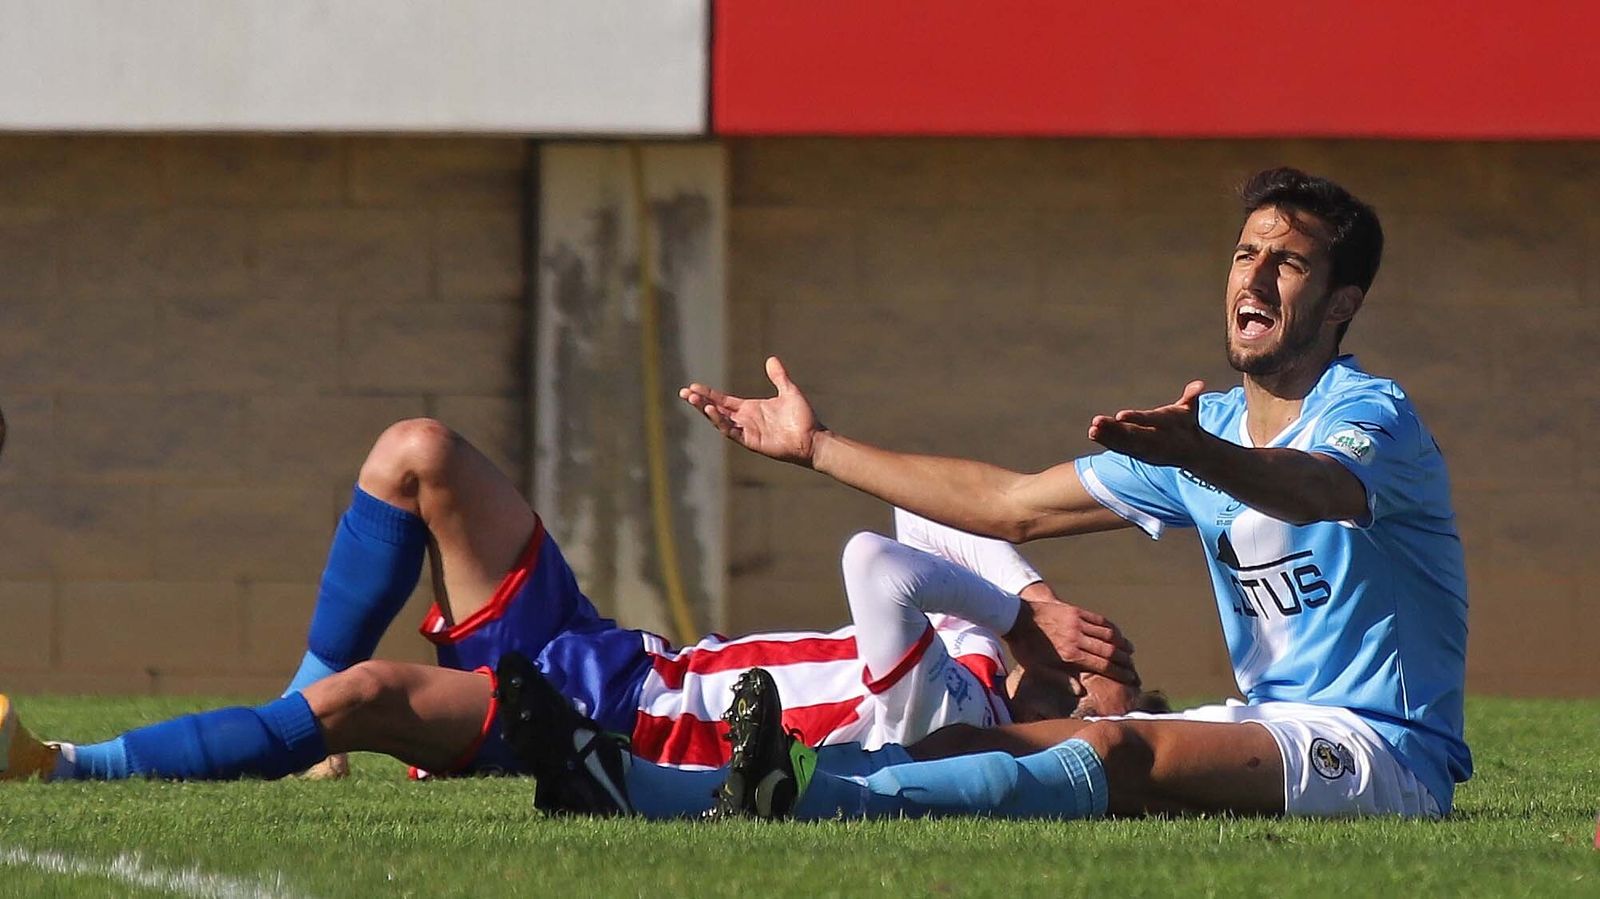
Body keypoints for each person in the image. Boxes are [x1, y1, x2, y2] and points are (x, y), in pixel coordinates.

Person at [674, 167, 1470, 820]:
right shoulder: (1212, 428)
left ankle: (823, 805)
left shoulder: (1371, 415)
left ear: (1342, 304)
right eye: (1243, 253)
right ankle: (676, 791)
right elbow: (1010, 503)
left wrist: (1201, 455)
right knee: (984, 743)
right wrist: (817, 447)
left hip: (1384, 747)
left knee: (1116, 749)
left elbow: (1315, 491)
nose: (1253, 275)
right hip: (1268, 724)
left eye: (1286, 262)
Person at [0, 419, 1138, 786]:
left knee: (367, 693)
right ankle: (303, 716)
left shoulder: (942, 723)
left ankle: (61, 764)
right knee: (417, 452)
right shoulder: (976, 640)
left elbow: (874, 562)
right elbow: (929, 520)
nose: (1097, 646)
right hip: (619, 652)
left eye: (1105, 672)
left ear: (1073, 717)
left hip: (609, 726)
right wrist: (1028, 592)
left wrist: (1019, 619)